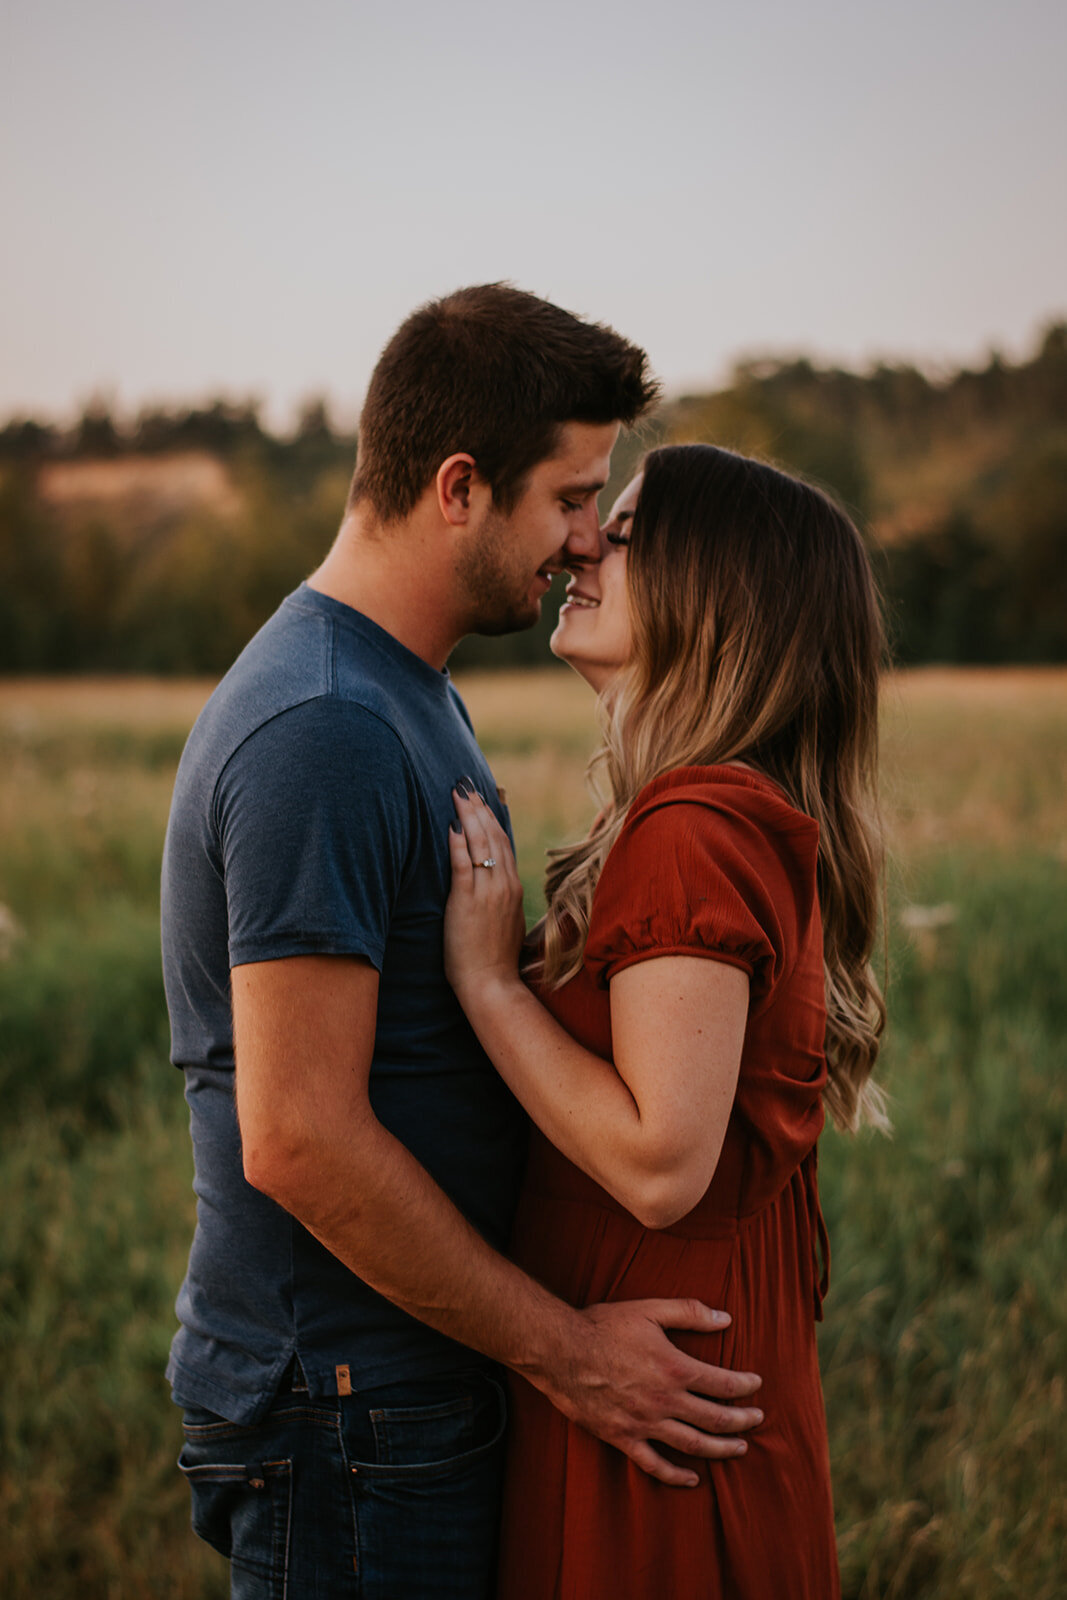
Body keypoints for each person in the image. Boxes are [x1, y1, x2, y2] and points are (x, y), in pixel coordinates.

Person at [161, 289, 764, 1600]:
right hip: (349, 1400)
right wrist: (565, 1351)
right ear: (456, 487)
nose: (585, 537)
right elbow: (300, 1137)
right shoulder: (324, 725)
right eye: (566, 496)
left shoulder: (403, 689)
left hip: (394, 1383)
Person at [444, 443, 889, 1598]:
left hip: (655, 1410)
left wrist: (491, 984)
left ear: (715, 596)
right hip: (687, 1375)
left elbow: (657, 1162)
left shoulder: (691, 826)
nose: (584, 541)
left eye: (628, 531)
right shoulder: (725, 811)